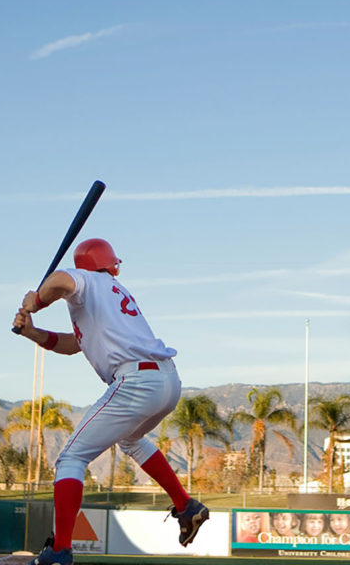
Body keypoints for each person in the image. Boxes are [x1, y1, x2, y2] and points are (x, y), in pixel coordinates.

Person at [12, 238, 209, 565]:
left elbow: (59, 280)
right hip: (166, 379)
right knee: (131, 440)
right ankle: (186, 506)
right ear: (111, 262)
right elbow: (72, 345)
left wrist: (38, 300)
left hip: (135, 381)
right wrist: (32, 331)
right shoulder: (108, 298)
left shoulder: (90, 281)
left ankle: (60, 551)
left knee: (71, 459)